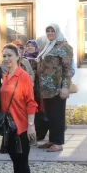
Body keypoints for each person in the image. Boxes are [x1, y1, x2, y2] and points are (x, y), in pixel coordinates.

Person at [1, 44, 38, 173]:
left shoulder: (23, 76)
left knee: (22, 160)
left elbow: (31, 102)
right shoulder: (6, 76)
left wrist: (31, 125)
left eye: (10, 55)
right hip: (9, 126)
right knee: (15, 160)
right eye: (4, 56)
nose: (7, 58)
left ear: (18, 57)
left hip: (21, 125)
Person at [36, 24, 73, 153]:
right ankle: (52, 140)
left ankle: (58, 143)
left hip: (57, 88)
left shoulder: (64, 47)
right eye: (48, 31)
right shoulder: (49, 46)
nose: (50, 33)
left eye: (52, 31)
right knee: (50, 116)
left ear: (57, 31)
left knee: (58, 116)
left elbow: (68, 69)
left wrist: (65, 87)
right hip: (46, 89)